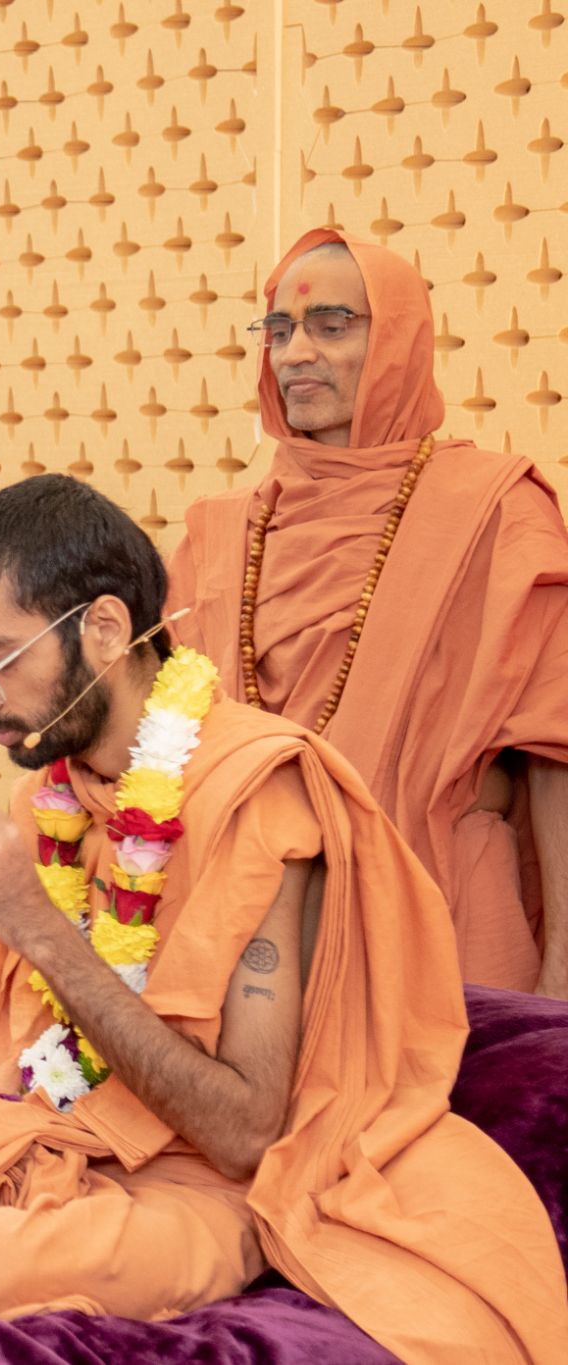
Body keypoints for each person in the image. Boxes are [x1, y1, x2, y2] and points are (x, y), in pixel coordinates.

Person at [0, 477, 566, 1362]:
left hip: (201, 1186)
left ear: (108, 630)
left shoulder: (259, 793)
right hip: (40, 1139)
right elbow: (9, 1090)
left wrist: (36, 925)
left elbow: (244, 1130)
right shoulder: (56, 798)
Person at [168, 229, 568, 999]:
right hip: (256, 933)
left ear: (399, 342)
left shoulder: (495, 512)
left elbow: (554, 756)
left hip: (443, 925)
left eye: (332, 326)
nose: (294, 355)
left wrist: (560, 983)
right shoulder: (218, 533)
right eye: (279, 330)